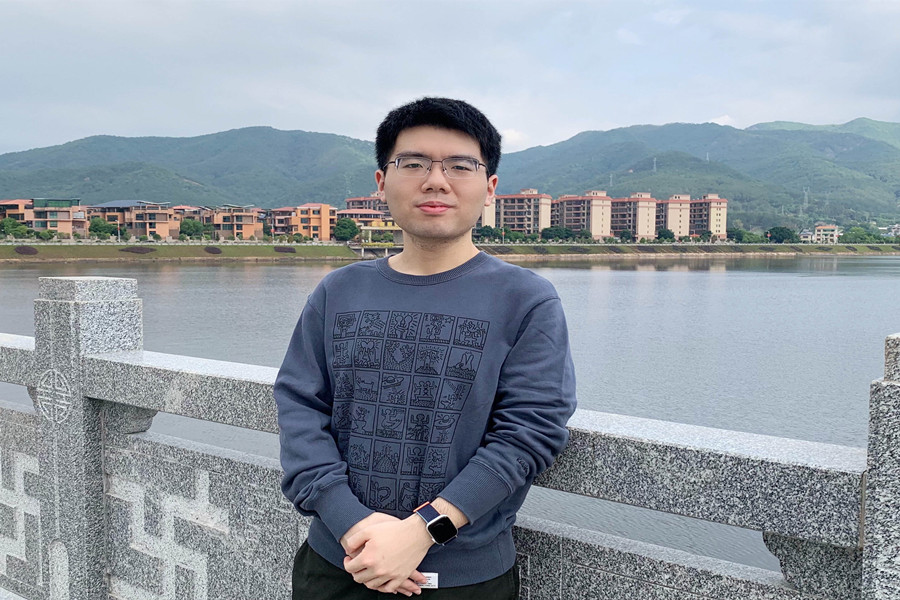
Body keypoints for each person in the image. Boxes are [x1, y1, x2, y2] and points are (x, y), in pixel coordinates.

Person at [275, 97, 576, 599]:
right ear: (381, 182)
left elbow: (529, 433)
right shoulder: (338, 292)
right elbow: (300, 406)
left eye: (459, 166)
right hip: (337, 566)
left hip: (466, 579)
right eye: (413, 163)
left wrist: (421, 531)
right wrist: (351, 524)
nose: (436, 181)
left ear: (489, 187)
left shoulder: (526, 299)